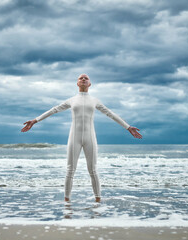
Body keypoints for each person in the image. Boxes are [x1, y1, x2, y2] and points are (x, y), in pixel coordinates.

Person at [21, 74, 142, 202]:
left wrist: (128, 127)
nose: (83, 79)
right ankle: (66, 202)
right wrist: (35, 120)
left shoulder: (95, 100)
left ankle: (98, 201)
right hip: (75, 137)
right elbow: (54, 110)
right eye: (80, 78)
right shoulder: (72, 100)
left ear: (90, 84)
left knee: (93, 170)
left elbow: (110, 114)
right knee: (70, 170)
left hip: (90, 138)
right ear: (77, 83)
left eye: (86, 78)